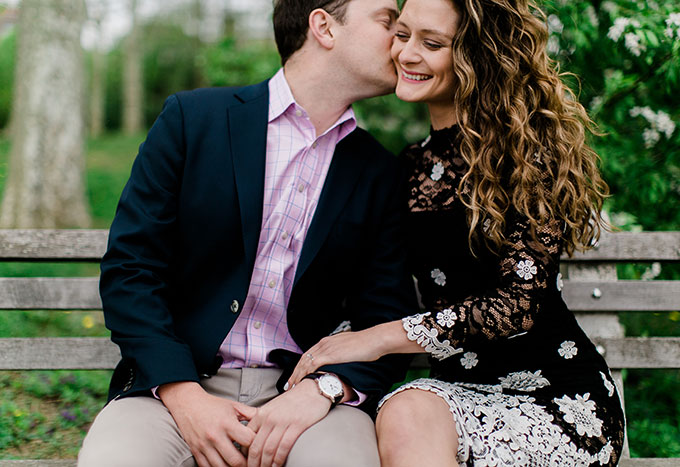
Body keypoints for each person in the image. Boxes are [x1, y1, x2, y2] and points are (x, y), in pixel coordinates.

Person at [77, 1, 419, 466]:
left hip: (309, 401)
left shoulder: (380, 172)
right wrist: (183, 394)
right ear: (324, 27)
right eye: (387, 22)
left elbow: (386, 313)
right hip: (171, 388)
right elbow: (130, 270)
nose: (401, 39)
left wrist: (324, 389)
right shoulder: (192, 121)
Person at [286, 0, 627, 465]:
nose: (407, 54)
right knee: (407, 411)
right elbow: (377, 290)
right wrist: (320, 377)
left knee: (406, 410)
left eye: (432, 43)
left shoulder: (526, 157)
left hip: (556, 400)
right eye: (401, 34)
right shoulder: (407, 168)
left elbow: (517, 305)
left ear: (475, 56)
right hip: (451, 399)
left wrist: (379, 337)